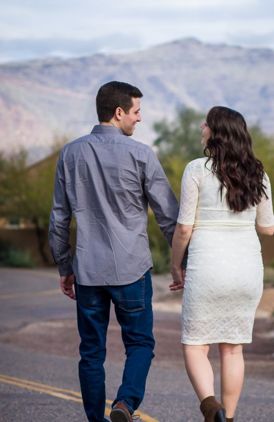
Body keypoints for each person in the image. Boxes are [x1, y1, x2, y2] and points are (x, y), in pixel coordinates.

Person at [49, 81, 179, 422]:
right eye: (136, 112)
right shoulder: (142, 155)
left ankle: (97, 420)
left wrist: (64, 266)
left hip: (88, 272)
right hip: (132, 271)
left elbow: (59, 218)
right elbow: (169, 217)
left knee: (91, 353)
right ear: (119, 112)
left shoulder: (70, 153)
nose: (139, 119)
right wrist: (183, 264)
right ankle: (124, 403)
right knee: (140, 345)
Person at [169, 106, 274, 422]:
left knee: (195, 345)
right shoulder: (259, 174)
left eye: (207, 122)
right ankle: (227, 419)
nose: (202, 125)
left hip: (208, 268)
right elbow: (267, 228)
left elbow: (184, 227)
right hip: (247, 270)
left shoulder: (197, 169)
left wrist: (176, 265)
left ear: (217, 133)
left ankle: (210, 407)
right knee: (233, 349)